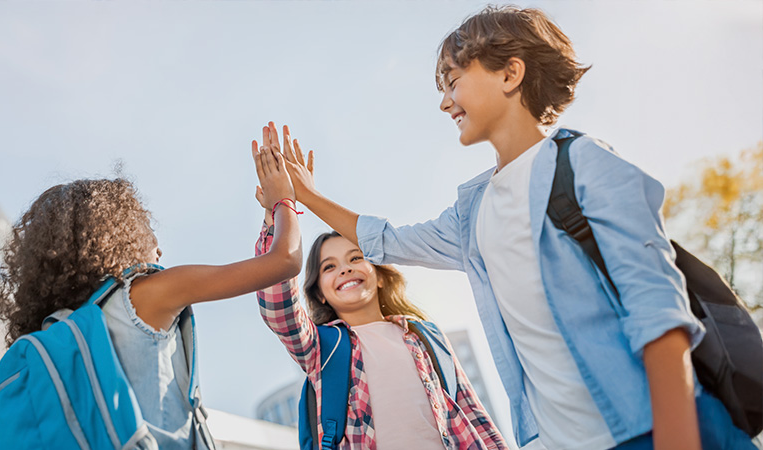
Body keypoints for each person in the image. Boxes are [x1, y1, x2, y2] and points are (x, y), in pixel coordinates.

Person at [270, 5, 757, 450]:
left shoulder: (584, 165)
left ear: (510, 73)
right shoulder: (472, 214)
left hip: (656, 430)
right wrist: (307, 197)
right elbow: (387, 239)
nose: (445, 102)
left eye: (453, 80)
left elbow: (660, 318)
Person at [0, 142, 301, 449]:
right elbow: (285, 260)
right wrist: (284, 200)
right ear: (120, 234)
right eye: (147, 228)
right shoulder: (145, 294)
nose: (159, 248)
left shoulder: (70, 334)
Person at [254, 125, 506, 450]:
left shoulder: (425, 337)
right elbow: (279, 308)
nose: (344, 268)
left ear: (381, 274)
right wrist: (279, 210)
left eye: (355, 257)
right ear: (318, 292)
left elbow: (473, 418)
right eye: (329, 267)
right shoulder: (324, 348)